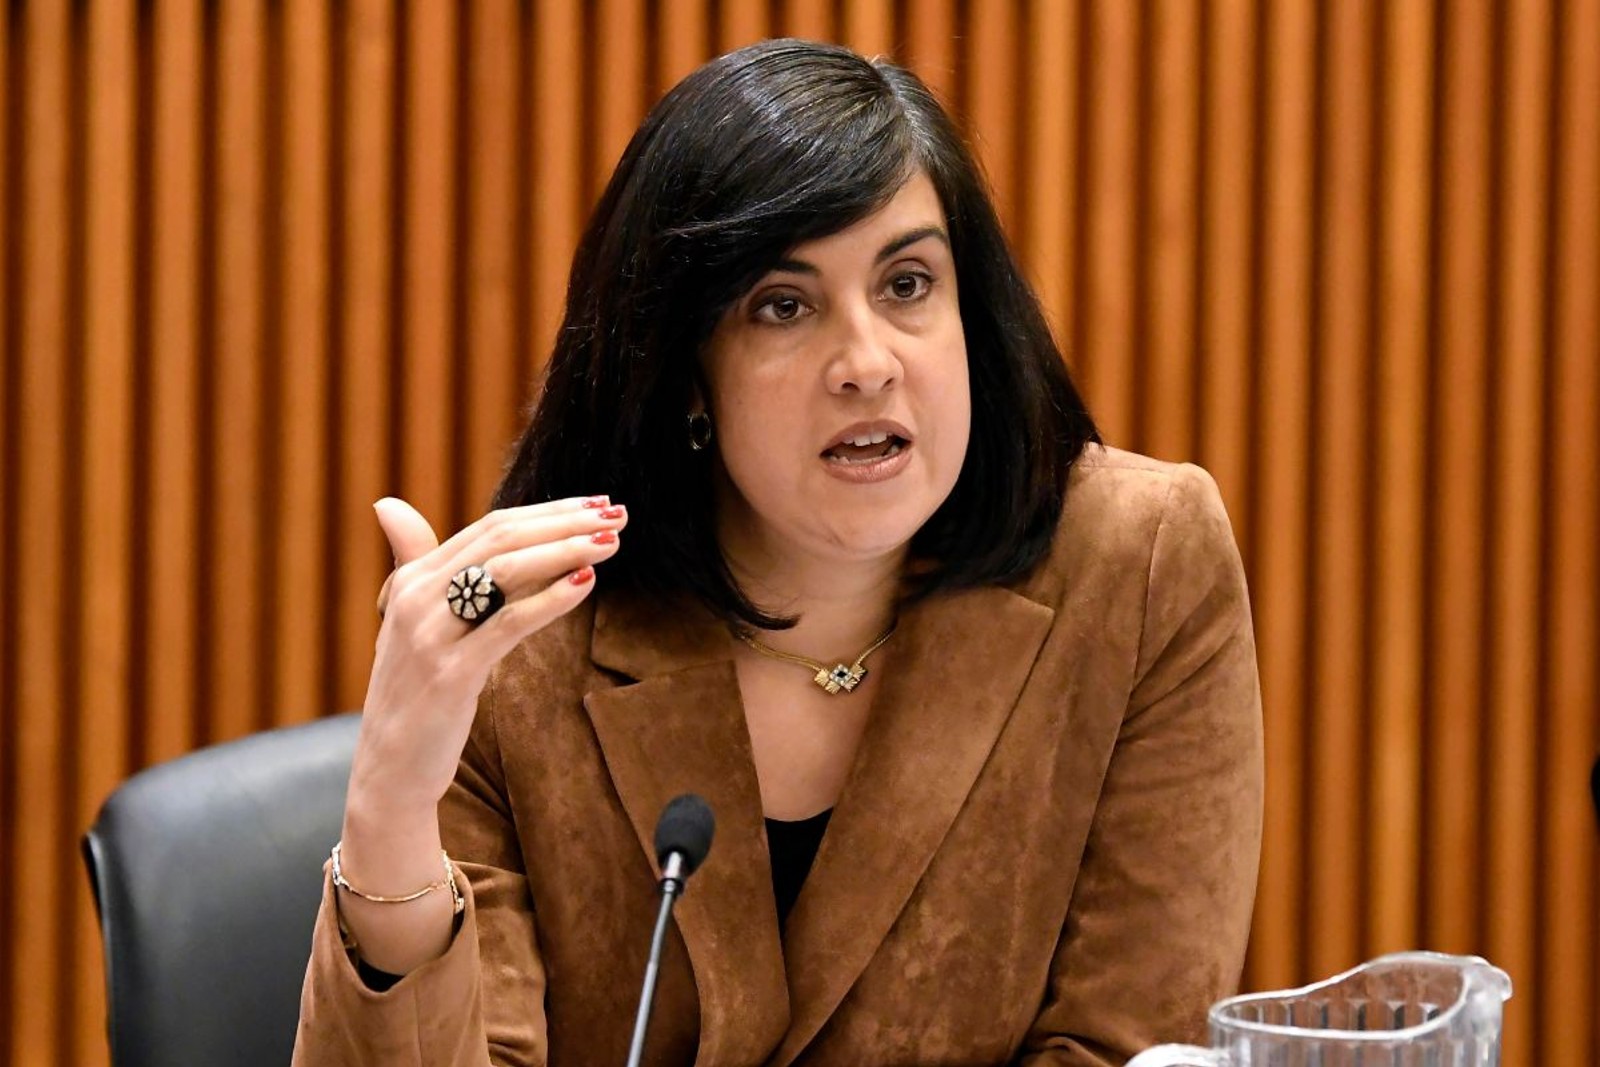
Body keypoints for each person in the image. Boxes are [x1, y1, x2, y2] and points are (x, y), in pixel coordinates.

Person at [292, 38, 1262, 1067]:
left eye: (907, 283)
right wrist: (390, 816)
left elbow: (1130, 1044)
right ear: (686, 372)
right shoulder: (525, 640)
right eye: (784, 305)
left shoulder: (1137, 566)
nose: (866, 363)